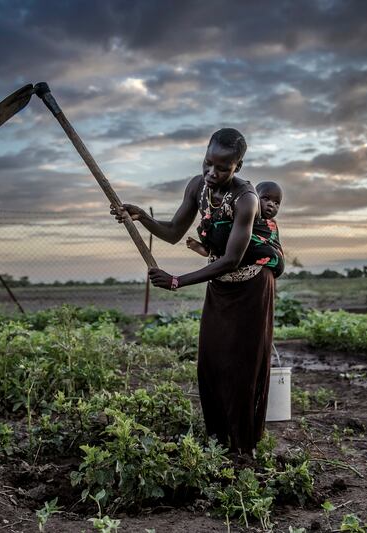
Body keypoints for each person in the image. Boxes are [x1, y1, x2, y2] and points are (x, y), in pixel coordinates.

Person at [110, 128, 280, 453]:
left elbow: (231, 259)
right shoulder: (197, 186)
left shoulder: (247, 200)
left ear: (238, 167)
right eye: (208, 163)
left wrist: (177, 281)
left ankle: (244, 450)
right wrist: (142, 217)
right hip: (221, 285)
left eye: (222, 168)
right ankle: (218, 443)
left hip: (252, 286)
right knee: (211, 362)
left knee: (243, 366)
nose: (211, 173)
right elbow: (174, 232)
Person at [186, 181, 284, 278]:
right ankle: (209, 249)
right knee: (218, 229)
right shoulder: (243, 213)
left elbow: (273, 243)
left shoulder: (271, 224)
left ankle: (211, 250)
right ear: (255, 198)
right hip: (234, 249)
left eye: (276, 203)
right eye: (266, 198)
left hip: (259, 256)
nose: (271, 204)